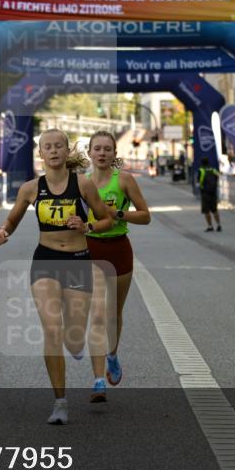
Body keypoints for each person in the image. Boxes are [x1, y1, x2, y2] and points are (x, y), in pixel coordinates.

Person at [0, 129, 113, 425]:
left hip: (77, 260)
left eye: (59, 146)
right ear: (41, 154)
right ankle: (60, 401)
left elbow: (106, 218)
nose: (54, 151)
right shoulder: (31, 189)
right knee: (52, 330)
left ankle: (76, 346)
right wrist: (3, 232)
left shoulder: (83, 185)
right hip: (45, 261)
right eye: (48, 147)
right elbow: (13, 218)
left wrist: (86, 226)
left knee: (73, 337)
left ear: (66, 150)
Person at [85, 131, 151, 398]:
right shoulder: (81, 182)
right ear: (89, 153)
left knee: (114, 313)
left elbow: (145, 216)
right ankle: (98, 379)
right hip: (90, 249)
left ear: (114, 154)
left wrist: (120, 214)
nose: (102, 153)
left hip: (119, 249)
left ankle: (112, 353)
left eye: (107, 149)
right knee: (98, 315)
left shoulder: (123, 180)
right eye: (97, 149)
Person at [198, 156, 221, 232]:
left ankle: (210, 226)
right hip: (213, 192)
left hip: (205, 193)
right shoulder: (213, 170)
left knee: (206, 211)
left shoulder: (201, 170)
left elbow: (199, 181)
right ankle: (219, 225)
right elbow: (218, 176)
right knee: (214, 210)